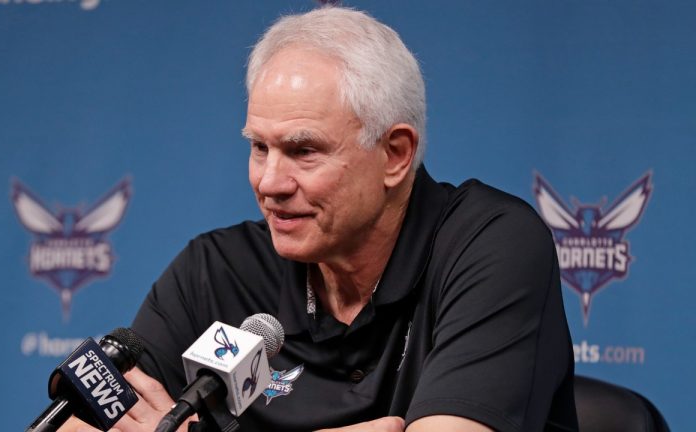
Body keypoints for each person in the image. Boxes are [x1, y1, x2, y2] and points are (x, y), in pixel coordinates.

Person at [64, 6, 577, 432]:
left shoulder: (493, 244)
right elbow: (75, 424)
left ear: (395, 154)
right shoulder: (217, 269)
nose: (269, 182)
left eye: (303, 151)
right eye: (259, 147)